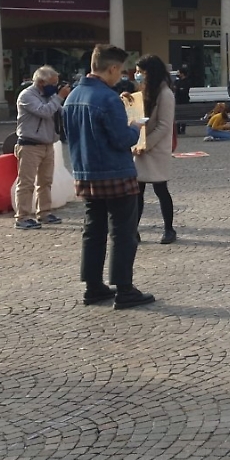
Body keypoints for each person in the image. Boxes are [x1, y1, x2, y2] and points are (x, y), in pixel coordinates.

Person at [61, 44, 154, 309]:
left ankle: (93, 287)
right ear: (112, 68)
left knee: (93, 230)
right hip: (115, 172)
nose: (120, 75)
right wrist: (135, 127)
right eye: (120, 70)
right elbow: (120, 139)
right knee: (123, 232)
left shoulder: (72, 96)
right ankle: (124, 289)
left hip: (85, 171)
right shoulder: (108, 98)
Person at [13, 66, 70, 229]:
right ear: (40, 82)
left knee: (46, 181)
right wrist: (59, 97)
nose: (55, 86)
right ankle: (22, 216)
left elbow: (61, 112)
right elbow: (44, 111)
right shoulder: (27, 95)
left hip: (47, 144)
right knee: (26, 182)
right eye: (52, 83)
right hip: (30, 145)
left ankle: (44, 212)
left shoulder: (49, 95)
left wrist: (62, 98)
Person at [130, 55, 177, 245]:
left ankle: (169, 229)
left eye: (141, 72)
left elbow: (164, 125)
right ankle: (134, 230)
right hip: (141, 147)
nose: (138, 75)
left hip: (156, 149)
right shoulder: (144, 90)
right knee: (138, 191)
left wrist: (146, 145)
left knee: (160, 188)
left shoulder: (165, 94)